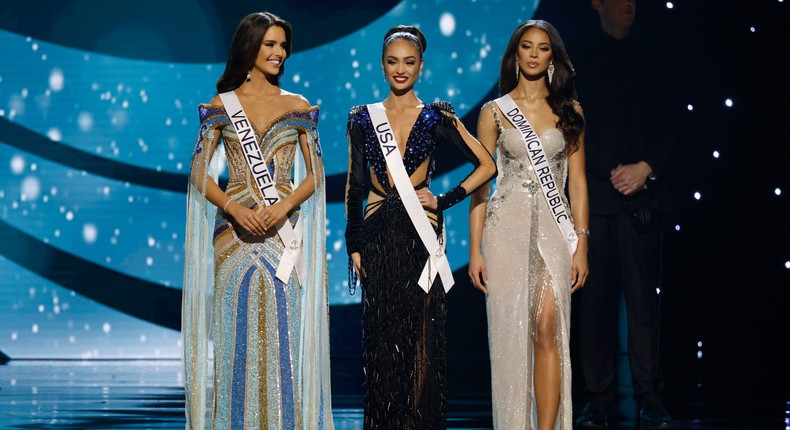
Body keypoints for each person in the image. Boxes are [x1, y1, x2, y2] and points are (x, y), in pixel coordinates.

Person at [181, 12, 333, 429]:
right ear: (249, 47)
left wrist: (283, 207)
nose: (279, 52)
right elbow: (198, 173)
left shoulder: (298, 106)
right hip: (233, 234)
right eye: (270, 44)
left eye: (283, 45)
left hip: (283, 235)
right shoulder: (221, 105)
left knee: (285, 339)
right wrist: (234, 209)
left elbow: (317, 174)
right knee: (235, 338)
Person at [344, 24, 497, 429]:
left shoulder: (436, 117)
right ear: (381, 65)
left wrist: (445, 198)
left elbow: (487, 165)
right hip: (377, 238)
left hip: (420, 236)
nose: (400, 69)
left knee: (419, 337)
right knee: (379, 340)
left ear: (421, 67)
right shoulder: (363, 119)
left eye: (409, 62)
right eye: (393, 62)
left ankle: (418, 422)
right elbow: (354, 187)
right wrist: (353, 243)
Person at [468, 19, 589, 430]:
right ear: (515, 54)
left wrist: (583, 245)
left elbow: (578, 184)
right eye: (526, 46)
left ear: (552, 56)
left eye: (542, 48)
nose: (534, 54)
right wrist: (474, 252)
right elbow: (480, 187)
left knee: (547, 327)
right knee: (512, 336)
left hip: (557, 232)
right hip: (505, 231)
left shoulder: (570, 112)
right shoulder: (493, 112)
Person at [569, 0, 677, 428]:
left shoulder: (657, 54)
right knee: (593, 302)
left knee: (643, 304)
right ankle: (598, 398)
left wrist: (647, 167)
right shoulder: (576, 59)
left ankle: (650, 395)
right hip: (596, 197)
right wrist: (613, 169)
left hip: (643, 197)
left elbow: (673, 121)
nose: (626, 4)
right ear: (597, 3)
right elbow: (570, 126)